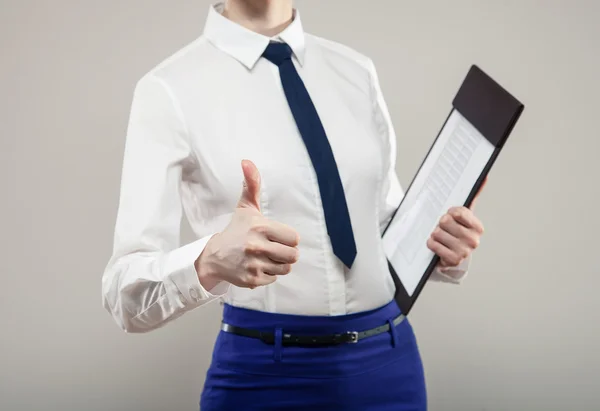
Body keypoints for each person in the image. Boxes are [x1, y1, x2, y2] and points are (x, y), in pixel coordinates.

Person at [102, 1, 486, 409]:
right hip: (265, 375)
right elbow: (124, 297)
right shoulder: (168, 89)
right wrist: (209, 261)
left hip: (388, 365)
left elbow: (380, 226)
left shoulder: (355, 70)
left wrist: (444, 245)